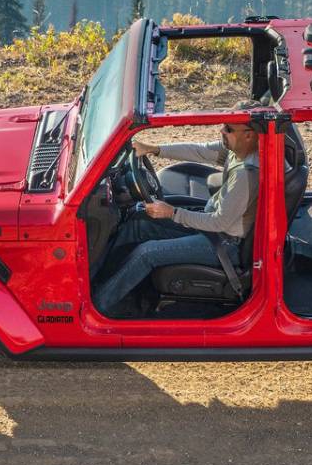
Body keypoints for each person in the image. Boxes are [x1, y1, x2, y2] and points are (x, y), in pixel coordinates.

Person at [93, 101, 262, 315]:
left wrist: (171, 213)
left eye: (228, 128)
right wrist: (154, 149)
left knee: (147, 252)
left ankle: (98, 307)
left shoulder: (246, 174)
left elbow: (219, 222)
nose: (221, 130)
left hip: (225, 242)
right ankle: (100, 278)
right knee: (136, 223)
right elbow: (200, 151)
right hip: (210, 224)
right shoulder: (236, 150)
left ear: (249, 135)